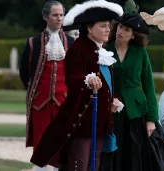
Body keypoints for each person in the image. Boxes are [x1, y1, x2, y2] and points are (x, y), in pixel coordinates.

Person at [29, 1, 124, 171]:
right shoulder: (78, 49)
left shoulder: (104, 52)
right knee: (80, 166)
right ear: (89, 28)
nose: (108, 29)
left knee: (95, 165)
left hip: (101, 122)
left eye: (108, 26)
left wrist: (114, 99)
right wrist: (87, 81)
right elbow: (73, 82)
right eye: (103, 26)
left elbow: (109, 84)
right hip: (83, 123)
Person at [103, 6, 164, 171]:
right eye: (120, 27)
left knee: (135, 154)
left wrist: (151, 119)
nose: (121, 31)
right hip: (112, 109)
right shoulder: (105, 50)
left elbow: (148, 85)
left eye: (127, 30)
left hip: (136, 111)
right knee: (113, 152)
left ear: (133, 35)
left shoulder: (140, 53)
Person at [19, 0, 74, 170]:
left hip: (63, 102)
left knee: (61, 144)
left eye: (61, 15)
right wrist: (36, 94)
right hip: (40, 104)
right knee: (41, 144)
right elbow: (24, 73)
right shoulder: (33, 43)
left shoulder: (72, 43)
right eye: (55, 15)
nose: (59, 19)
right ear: (45, 17)